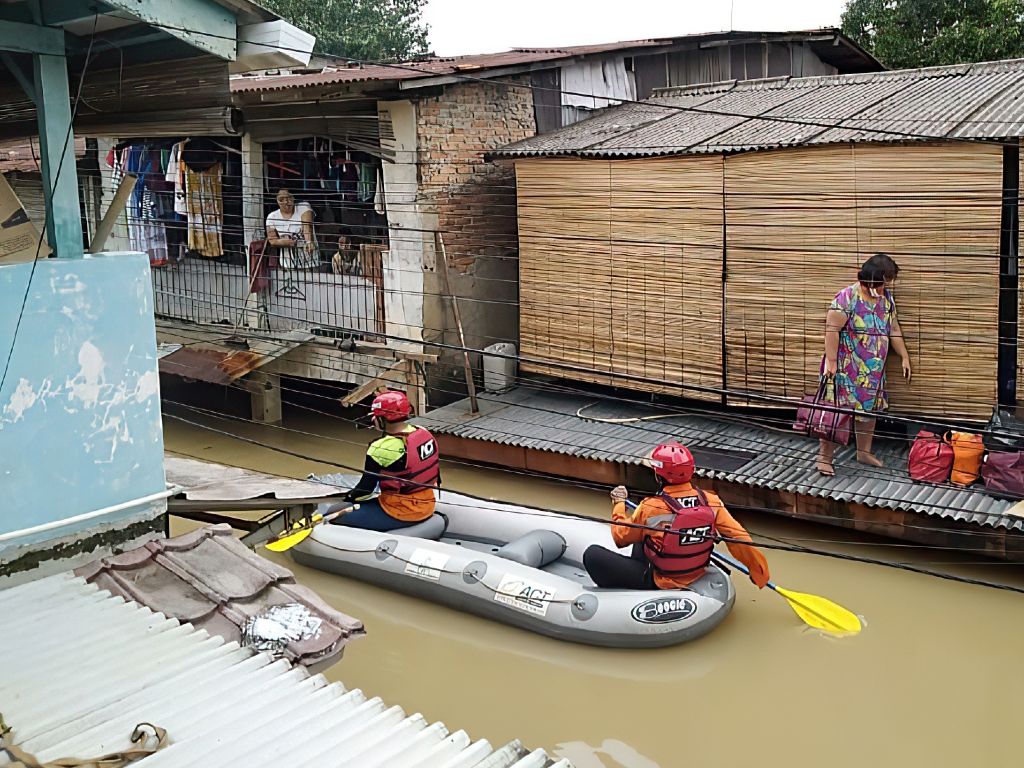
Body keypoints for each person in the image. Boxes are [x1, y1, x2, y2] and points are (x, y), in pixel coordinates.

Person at [583, 441, 770, 591]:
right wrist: (758, 572)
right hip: (695, 572)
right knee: (644, 535)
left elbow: (620, 537)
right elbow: (739, 538)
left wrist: (619, 504)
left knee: (592, 554)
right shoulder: (711, 501)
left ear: (659, 476)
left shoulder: (651, 507)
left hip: (660, 578)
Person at [816, 253, 912, 476]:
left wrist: (904, 356)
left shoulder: (886, 299)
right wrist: (831, 362)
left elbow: (893, 329)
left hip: (872, 370)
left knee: (869, 411)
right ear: (870, 279)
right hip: (844, 367)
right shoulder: (847, 297)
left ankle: (864, 451)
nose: (885, 288)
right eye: (883, 282)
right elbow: (832, 328)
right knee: (836, 411)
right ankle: (824, 458)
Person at [334, 390, 440, 531]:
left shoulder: (380, 448)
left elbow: (365, 490)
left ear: (382, 419)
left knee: (334, 514)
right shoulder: (422, 432)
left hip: (400, 510)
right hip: (427, 503)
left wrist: (346, 497)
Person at [266, 189, 317, 270]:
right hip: (287, 263)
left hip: (309, 262)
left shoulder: (303, 207)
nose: (286, 202)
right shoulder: (272, 217)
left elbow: (307, 226)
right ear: (277, 201)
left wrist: (308, 242)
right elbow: (272, 240)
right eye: (282, 199)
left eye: (288, 198)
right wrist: (285, 242)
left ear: (293, 198)